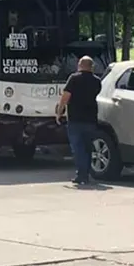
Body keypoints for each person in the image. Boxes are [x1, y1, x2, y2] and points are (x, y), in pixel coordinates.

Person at [55, 56, 102, 186]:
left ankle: (81, 175)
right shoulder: (97, 81)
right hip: (91, 119)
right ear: (92, 67)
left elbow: (65, 97)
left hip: (76, 119)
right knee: (87, 148)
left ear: (79, 65)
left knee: (78, 148)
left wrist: (59, 112)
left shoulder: (74, 79)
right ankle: (85, 174)